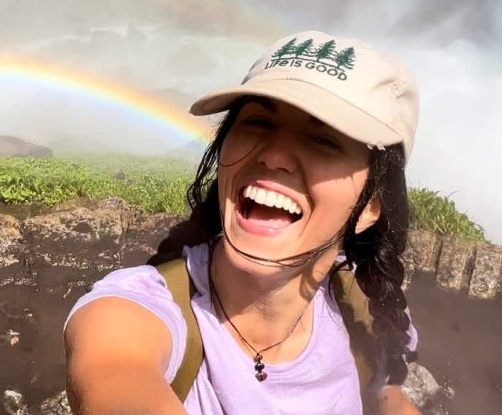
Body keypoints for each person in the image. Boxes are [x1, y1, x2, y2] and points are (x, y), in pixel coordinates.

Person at [64, 30, 422, 415]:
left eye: (323, 140)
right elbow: (115, 378)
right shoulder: (130, 311)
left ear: (370, 206)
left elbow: (390, 398)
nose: (274, 155)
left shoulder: (361, 307)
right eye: (258, 124)